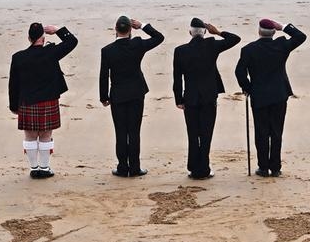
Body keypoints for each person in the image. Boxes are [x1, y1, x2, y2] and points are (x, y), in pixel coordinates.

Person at [234, 19, 306, 176]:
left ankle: (263, 167)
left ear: (259, 31)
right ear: (274, 32)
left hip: (259, 95)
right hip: (279, 94)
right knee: (276, 132)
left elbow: (240, 72)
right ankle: (276, 168)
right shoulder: (281, 46)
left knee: (261, 133)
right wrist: (284, 27)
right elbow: (301, 37)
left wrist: (247, 88)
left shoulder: (248, 50)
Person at [8, 22, 78, 178]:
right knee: (46, 136)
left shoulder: (18, 57)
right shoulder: (51, 52)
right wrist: (58, 30)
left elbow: (13, 84)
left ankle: (34, 168)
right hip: (48, 101)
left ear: (28, 38)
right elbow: (72, 42)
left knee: (30, 137)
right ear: (43, 38)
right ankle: (45, 169)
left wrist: (14, 105)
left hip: (27, 102)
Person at [172, 18, 239, 179]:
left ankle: (194, 168)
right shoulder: (212, 45)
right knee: (206, 134)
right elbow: (235, 39)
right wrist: (218, 32)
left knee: (193, 134)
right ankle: (204, 168)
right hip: (209, 96)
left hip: (190, 97)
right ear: (205, 32)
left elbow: (177, 78)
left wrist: (178, 99)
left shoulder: (180, 50)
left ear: (190, 33)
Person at [99, 15, 164, 177]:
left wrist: (104, 96)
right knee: (134, 131)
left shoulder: (107, 50)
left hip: (118, 95)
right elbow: (159, 37)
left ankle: (122, 167)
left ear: (115, 30)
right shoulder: (138, 44)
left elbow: (103, 75)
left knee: (120, 132)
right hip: (136, 92)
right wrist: (143, 26)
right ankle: (135, 167)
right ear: (130, 29)